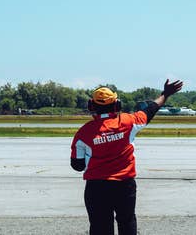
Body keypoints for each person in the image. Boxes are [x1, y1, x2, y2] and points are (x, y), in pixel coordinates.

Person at [71, 79, 183, 235]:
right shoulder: (128, 122)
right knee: (127, 222)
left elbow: (77, 165)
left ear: (91, 106)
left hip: (96, 188)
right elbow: (150, 109)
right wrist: (165, 94)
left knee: (100, 227)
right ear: (117, 105)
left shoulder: (83, 133)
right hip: (124, 185)